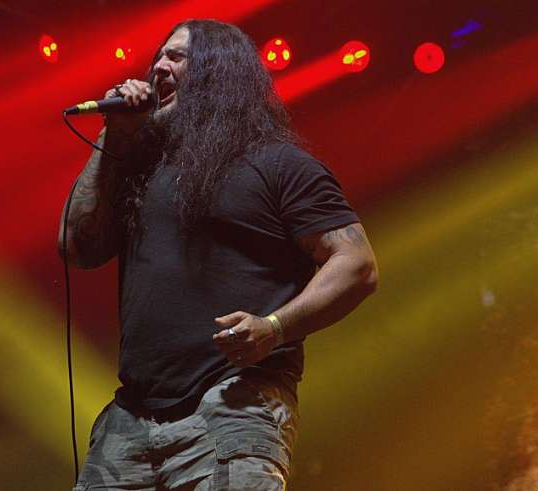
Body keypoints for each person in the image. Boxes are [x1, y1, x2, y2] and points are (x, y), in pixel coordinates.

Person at [59, 19, 377, 491]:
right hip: (131, 418)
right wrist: (115, 134)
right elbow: (76, 247)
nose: (157, 68)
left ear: (217, 74)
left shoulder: (279, 165)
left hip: (231, 403)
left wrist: (275, 327)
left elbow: (356, 264)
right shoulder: (138, 169)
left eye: (176, 57)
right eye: (157, 57)